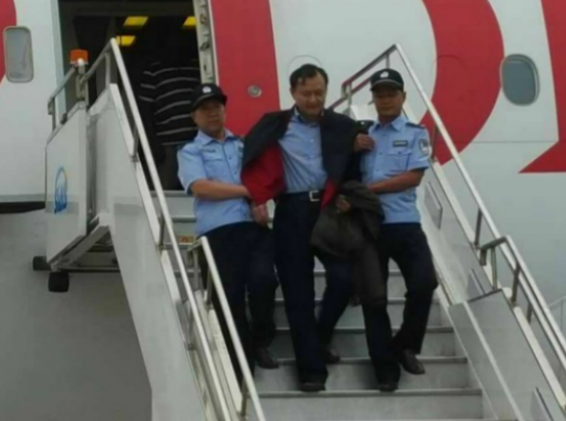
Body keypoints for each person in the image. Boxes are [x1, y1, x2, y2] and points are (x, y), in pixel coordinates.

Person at [240, 64, 362, 392]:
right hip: (291, 211)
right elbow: (250, 159)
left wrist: (350, 198)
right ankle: (311, 372)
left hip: (331, 210)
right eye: (306, 93)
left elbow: (355, 168)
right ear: (293, 92)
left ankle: (321, 336)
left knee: (345, 279)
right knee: (297, 293)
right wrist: (256, 199)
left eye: (319, 92)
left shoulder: (342, 126)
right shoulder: (273, 124)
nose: (313, 99)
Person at [177, 83, 279, 376]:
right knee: (229, 298)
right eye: (205, 109)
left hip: (253, 227)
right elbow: (201, 187)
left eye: (217, 107)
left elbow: (264, 180)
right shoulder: (190, 151)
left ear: (225, 110)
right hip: (217, 234)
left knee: (265, 282)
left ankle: (261, 340)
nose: (213, 113)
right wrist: (247, 191)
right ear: (194, 116)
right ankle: (241, 369)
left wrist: (258, 199)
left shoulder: (245, 145)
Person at [356, 68, 440, 379]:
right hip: (370, 226)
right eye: (379, 94)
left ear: (403, 97)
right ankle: (384, 368)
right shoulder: (363, 136)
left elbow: (413, 177)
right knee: (374, 298)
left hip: (404, 223)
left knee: (424, 283)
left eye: (391, 94)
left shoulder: (416, 133)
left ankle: (405, 344)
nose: (386, 99)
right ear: (373, 99)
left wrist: (371, 189)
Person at [138, 19, 201, 190]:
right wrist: (152, 143)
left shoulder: (197, 68)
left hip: (197, 142)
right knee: (167, 191)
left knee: (198, 188)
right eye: (173, 42)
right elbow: (145, 110)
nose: (177, 46)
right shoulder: (153, 71)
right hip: (168, 146)